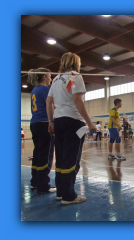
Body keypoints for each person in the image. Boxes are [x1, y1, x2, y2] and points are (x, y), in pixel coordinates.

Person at [46, 52, 97, 205]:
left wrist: (51, 121)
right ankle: (69, 196)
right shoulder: (75, 77)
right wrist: (90, 123)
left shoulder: (55, 80)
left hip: (59, 120)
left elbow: (49, 102)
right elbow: (77, 100)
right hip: (73, 121)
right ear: (76, 63)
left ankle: (61, 192)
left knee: (61, 157)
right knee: (71, 158)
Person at [27, 68, 56, 194]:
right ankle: (43, 185)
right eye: (50, 76)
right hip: (45, 123)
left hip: (34, 124)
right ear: (44, 76)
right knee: (45, 154)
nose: (50, 79)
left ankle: (35, 182)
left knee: (37, 154)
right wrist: (53, 121)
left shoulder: (34, 90)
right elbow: (50, 106)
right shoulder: (45, 89)